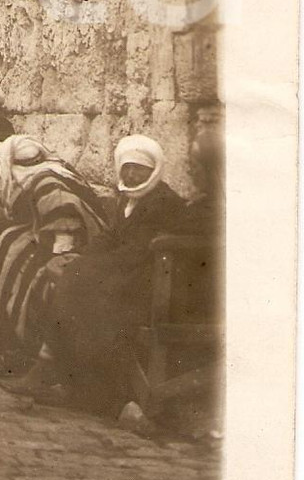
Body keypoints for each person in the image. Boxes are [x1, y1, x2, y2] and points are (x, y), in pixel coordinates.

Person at [30, 135, 188, 411]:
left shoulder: (163, 202)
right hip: (124, 274)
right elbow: (109, 238)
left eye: (140, 169)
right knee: (68, 279)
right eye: (127, 167)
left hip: (148, 281)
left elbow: (138, 252)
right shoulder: (127, 199)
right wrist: (80, 256)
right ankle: (58, 374)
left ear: (154, 170)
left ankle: (79, 386)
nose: (131, 175)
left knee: (80, 290)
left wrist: (86, 267)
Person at [0, 134, 109, 375]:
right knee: (9, 240)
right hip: (54, 235)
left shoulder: (47, 184)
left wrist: (45, 257)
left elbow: (64, 232)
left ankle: (13, 348)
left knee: (27, 267)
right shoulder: (37, 179)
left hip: (79, 246)